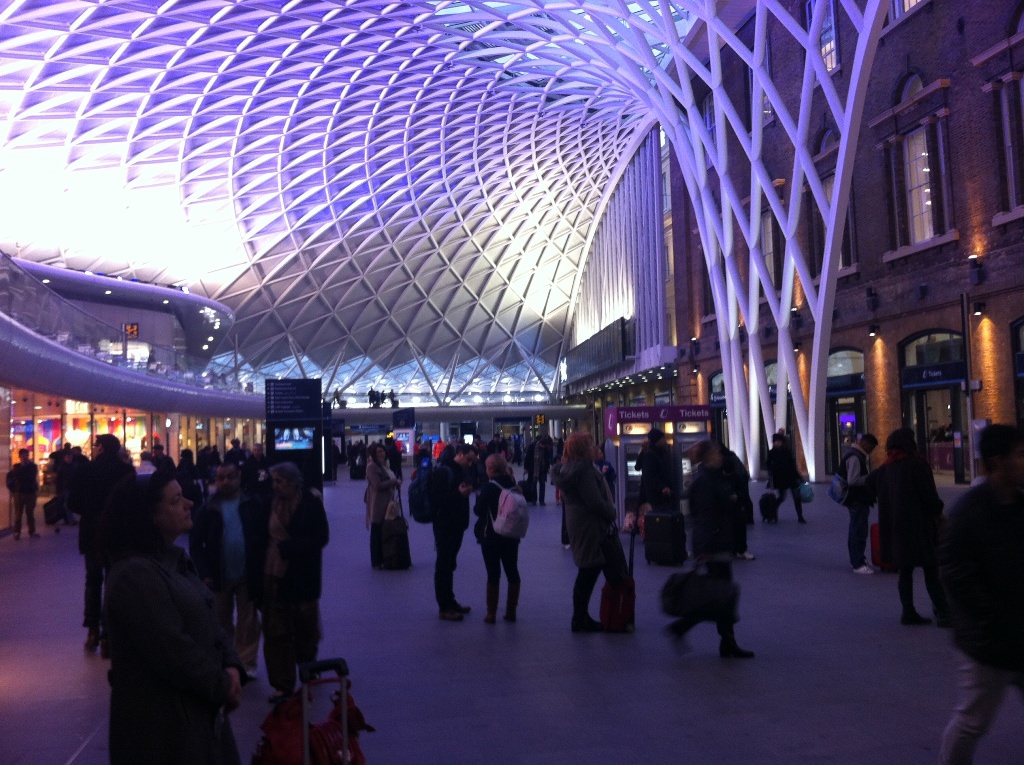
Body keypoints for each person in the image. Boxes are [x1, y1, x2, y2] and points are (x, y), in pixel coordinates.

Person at [102, 470, 243, 765]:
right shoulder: (134, 576)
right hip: (165, 733)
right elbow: (173, 649)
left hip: (197, 719)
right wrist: (223, 685)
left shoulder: (174, 560)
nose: (189, 504)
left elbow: (210, 619)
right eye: (176, 500)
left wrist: (231, 665)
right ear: (150, 516)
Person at [938, 424, 1024, 765]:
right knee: (973, 721)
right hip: (989, 643)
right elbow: (957, 578)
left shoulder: (1020, 505)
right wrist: (990, 620)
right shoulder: (968, 514)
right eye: (1020, 455)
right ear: (996, 462)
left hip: (1018, 631)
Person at [674, 439, 754, 658]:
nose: (721, 457)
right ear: (709, 457)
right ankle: (722, 640)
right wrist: (705, 548)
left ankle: (696, 631)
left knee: (719, 595)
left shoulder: (712, 477)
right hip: (714, 545)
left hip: (717, 542)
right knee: (721, 595)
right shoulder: (705, 481)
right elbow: (705, 516)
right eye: (718, 454)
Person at [258, 462, 329, 702]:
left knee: (305, 630)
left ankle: (307, 668)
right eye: (274, 481)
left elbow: (321, 537)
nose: (275, 486)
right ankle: (282, 683)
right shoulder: (267, 503)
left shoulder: (310, 504)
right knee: (275, 631)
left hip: (302, 575)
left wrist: (290, 548)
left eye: (280, 481)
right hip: (273, 575)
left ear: (292, 482)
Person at [866, 427, 949, 626]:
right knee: (931, 570)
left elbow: (869, 484)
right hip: (919, 527)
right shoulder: (917, 465)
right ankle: (945, 613)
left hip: (896, 529)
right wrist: (938, 512)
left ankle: (908, 611)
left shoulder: (885, 468)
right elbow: (930, 497)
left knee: (905, 572)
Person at [190, 462, 266, 678]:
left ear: (239, 477)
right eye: (220, 477)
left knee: (248, 620)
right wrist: (204, 572)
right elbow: (196, 544)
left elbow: (261, 536)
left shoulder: (251, 504)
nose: (225, 482)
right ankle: (228, 660)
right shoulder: (208, 509)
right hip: (218, 574)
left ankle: (246, 663)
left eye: (229, 477)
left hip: (246, 573)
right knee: (220, 620)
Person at [69, 433, 136, 652]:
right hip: (118, 532)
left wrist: (90, 512)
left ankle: (92, 630)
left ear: (102, 448)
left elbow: (74, 503)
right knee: (113, 581)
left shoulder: (86, 470)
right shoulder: (125, 471)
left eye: (96, 445)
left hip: (92, 532)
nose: (94, 448)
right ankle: (109, 634)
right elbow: (132, 504)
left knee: (93, 580)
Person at [550, 432, 618, 633]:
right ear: (582, 449)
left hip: (578, 522)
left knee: (587, 569)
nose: (594, 447)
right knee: (588, 570)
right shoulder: (585, 471)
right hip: (589, 524)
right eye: (590, 444)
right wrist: (611, 512)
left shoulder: (569, 469)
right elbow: (594, 501)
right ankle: (579, 618)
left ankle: (580, 616)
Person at [428, 442, 478, 621]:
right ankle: (444, 605)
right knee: (444, 564)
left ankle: (450, 600)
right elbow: (437, 499)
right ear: (461, 454)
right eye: (469, 460)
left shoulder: (459, 470)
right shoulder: (444, 471)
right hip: (445, 524)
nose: (470, 464)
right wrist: (459, 494)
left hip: (456, 524)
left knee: (449, 564)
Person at [473, 453, 523, 623]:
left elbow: (478, 510)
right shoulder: (513, 485)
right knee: (512, 571)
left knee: (493, 574)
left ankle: (491, 613)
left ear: (491, 470)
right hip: (511, 535)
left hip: (491, 535)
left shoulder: (489, 487)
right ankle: (511, 611)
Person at [839, 433, 878, 574]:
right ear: (865, 443)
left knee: (855, 528)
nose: (871, 450)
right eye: (871, 447)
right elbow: (853, 480)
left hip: (853, 499)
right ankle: (858, 563)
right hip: (857, 499)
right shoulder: (855, 457)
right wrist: (869, 478)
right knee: (858, 530)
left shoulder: (852, 454)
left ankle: (856, 559)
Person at [365, 443, 400, 569]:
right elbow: (377, 485)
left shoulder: (384, 466)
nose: (382, 454)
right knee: (376, 531)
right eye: (379, 452)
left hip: (387, 502)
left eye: (383, 451)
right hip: (378, 503)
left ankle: (385, 557)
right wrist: (394, 481)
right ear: (374, 453)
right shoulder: (371, 467)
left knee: (384, 531)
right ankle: (376, 560)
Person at [721, 447, 755, 560]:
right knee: (737, 526)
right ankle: (739, 549)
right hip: (735, 505)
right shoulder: (732, 463)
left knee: (735, 525)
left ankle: (736, 549)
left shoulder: (727, 470)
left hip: (733, 505)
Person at [766, 432, 806, 523]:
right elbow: (768, 465)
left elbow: (792, 466)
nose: (776, 443)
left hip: (790, 477)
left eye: (778, 441)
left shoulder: (786, 452)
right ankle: (772, 514)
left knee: (796, 497)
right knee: (781, 497)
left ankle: (800, 516)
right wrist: (771, 474)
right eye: (775, 441)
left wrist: (799, 477)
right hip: (780, 478)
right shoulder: (772, 453)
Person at [637, 428, 674, 512]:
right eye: (662, 438)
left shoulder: (663, 451)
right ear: (657, 440)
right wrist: (662, 487)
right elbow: (649, 476)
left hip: (663, 494)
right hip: (655, 496)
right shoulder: (650, 455)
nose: (664, 440)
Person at [8, 448, 39, 540]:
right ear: (20, 456)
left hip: (30, 492)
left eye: (26, 455)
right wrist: (14, 489)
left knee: (30, 513)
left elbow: (30, 476)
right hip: (19, 492)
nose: (25, 457)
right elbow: (13, 478)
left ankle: (32, 531)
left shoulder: (32, 466)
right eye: (23, 455)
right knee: (18, 513)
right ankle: (17, 532)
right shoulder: (16, 467)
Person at [524, 434, 553, 505]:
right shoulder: (532, 446)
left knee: (542, 484)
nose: (543, 447)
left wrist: (548, 467)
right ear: (540, 443)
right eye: (543, 446)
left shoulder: (546, 448)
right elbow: (527, 457)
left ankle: (541, 500)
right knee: (533, 484)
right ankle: (534, 499)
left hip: (542, 469)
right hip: (533, 469)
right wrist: (526, 468)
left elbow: (547, 458)